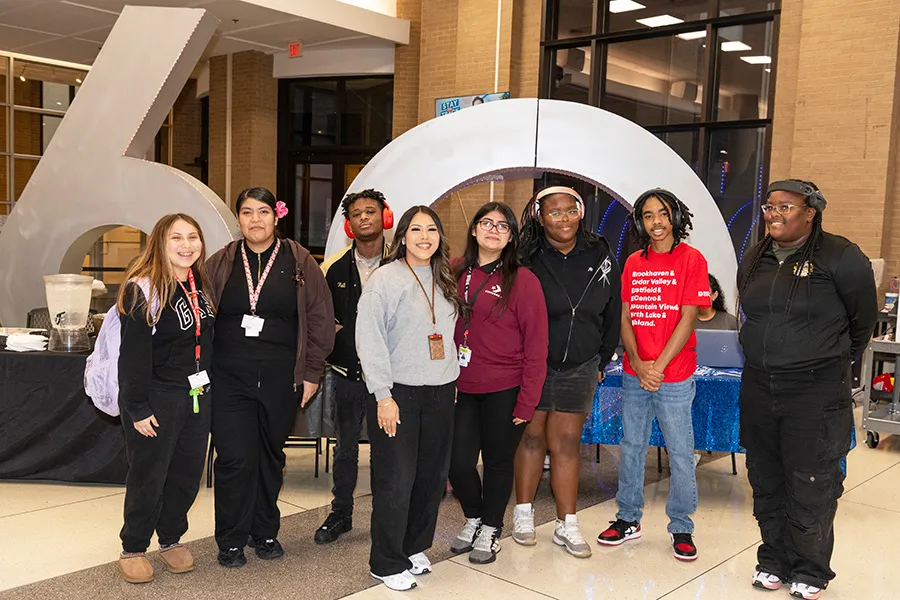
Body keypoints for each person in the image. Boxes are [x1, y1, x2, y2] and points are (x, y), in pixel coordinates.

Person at [737, 180, 876, 599]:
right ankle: (773, 561)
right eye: (769, 206)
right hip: (759, 386)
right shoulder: (756, 257)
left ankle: (810, 569)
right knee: (766, 477)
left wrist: (823, 359)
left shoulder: (841, 256)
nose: (774, 214)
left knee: (810, 481)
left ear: (811, 213)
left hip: (815, 393)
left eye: (786, 207)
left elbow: (862, 323)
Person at [206, 187, 335, 568]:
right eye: (247, 212)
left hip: (281, 378)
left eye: (263, 212)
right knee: (233, 458)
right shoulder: (222, 261)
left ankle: (263, 531)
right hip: (228, 377)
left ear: (276, 217)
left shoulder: (299, 260)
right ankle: (231, 538)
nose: (255, 220)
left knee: (269, 457)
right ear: (238, 219)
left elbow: (320, 318)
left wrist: (312, 372)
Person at [597, 188, 710, 562]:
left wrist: (657, 367)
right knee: (631, 446)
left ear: (675, 216)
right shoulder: (633, 262)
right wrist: (637, 360)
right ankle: (628, 518)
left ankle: (681, 525)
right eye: (648, 215)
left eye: (662, 213)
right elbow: (625, 315)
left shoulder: (692, 259)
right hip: (636, 372)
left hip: (673, 375)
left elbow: (689, 317)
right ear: (640, 222)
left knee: (680, 451)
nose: (656, 221)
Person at [356, 206, 463, 591]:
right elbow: (369, 339)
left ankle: (413, 547)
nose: (424, 237)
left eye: (431, 229)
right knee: (396, 480)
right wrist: (383, 396)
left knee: (431, 478)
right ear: (402, 236)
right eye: (416, 229)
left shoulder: (444, 276)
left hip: (440, 392)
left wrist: (450, 380)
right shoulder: (385, 279)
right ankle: (385, 562)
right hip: (397, 394)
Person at [513, 185, 621, 559]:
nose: (563, 219)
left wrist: (602, 359)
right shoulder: (526, 256)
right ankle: (523, 515)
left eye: (570, 211)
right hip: (533, 365)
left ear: (581, 213)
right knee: (531, 438)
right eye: (554, 212)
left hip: (581, 364)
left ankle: (567, 524)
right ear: (540, 217)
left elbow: (613, 308)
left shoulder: (599, 252)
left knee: (567, 443)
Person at [116, 214, 215, 584]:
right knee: (149, 474)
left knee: (187, 474)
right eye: (177, 238)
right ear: (160, 242)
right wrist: (137, 408)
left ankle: (170, 537)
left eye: (193, 237)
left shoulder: (199, 284)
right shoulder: (143, 288)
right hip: (157, 398)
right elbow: (133, 357)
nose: (186, 245)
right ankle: (133, 546)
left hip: (196, 395)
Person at [447, 202, 548, 564]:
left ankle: (491, 526)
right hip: (460, 386)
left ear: (511, 237)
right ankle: (474, 515)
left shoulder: (523, 280)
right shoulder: (454, 270)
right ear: (474, 229)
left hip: (506, 387)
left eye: (503, 226)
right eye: (486, 223)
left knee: (497, 462)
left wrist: (528, 401)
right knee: (457, 463)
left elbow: (537, 346)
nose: (493, 230)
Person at [315, 189, 392, 544]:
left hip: (390, 378)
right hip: (347, 374)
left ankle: (384, 517)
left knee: (386, 450)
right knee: (345, 449)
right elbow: (319, 314)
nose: (364, 217)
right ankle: (341, 514)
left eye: (370, 211)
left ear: (384, 218)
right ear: (349, 224)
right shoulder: (332, 267)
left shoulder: (401, 263)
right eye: (357, 213)